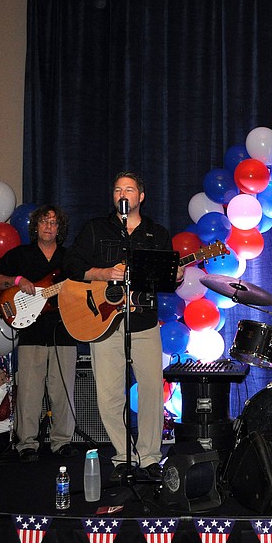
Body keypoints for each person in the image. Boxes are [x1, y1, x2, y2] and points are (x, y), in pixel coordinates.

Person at [63, 171, 182, 483]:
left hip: (143, 322)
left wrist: (175, 275)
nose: (122, 193)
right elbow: (71, 266)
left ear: (141, 196)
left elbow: (165, 283)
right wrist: (103, 273)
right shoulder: (95, 229)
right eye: (117, 189)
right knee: (109, 395)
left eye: (129, 189)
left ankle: (149, 456)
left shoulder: (157, 233)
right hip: (102, 323)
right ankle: (122, 455)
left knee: (152, 390)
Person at [0, 204, 78, 462]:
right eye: (44, 221)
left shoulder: (69, 258)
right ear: (35, 226)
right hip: (31, 332)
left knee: (63, 391)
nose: (49, 226)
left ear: (59, 229)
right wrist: (17, 281)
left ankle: (62, 441)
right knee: (29, 390)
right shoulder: (20, 255)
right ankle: (26, 443)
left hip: (63, 331)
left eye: (54, 222)